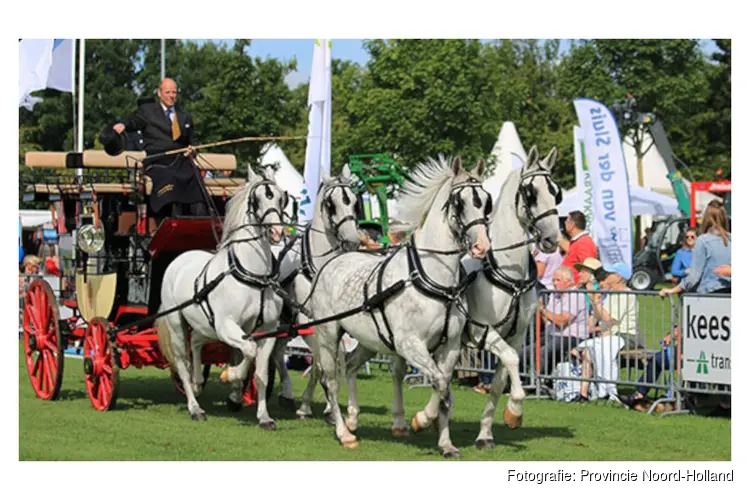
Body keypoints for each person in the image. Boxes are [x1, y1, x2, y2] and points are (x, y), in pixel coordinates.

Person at [112, 78, 206, 219]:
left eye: (174, 92)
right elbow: (135, 121)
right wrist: (123, 125)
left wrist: (192, 149)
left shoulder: (184, 115)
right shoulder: (148, 111)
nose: (171, 96)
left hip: (180, 161)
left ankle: (199, 220)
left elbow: (193, 140)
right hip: (158, 161)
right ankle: (174, 219)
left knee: (195, 177)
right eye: (168, 92)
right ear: (159, 93)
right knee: (171, 178)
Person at [569, 262, 641, 402]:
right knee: (588, 351)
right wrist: (594, 300)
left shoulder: (627, 295)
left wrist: (594, 300)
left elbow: (609, 319)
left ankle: (608, 390)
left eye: (610, 274)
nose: (606, 277)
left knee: (599, 347)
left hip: (627, 336)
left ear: (619, 277)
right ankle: (583, 394)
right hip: (612, 335)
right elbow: (600, 317)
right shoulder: (612, 294)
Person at [522, 266, 588, 376]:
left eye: (558, 280)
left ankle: (535, 384)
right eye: (553, 280)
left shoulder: (576, 296)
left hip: (572, 337)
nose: (554, 283)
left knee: (543, 352)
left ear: (569, 282)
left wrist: (542, 309)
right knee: (524, 353)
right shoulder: (554, 295)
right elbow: (548, 319)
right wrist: (541, 310)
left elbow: (561, 322)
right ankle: (517, 383)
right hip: (552, 334)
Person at [660, 200, 731, 296]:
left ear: (706, 218)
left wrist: (673, 290)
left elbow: (694, 276)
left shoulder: (703, 241)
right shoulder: (731, 239)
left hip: (710, 294)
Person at [559, 211, 598, 283]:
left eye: (566, 221)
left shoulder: (584, 242)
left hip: (576, 290)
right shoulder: (578, 241)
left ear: (572, 224)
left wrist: (577, 289)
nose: (564, 223)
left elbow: (588, 270)